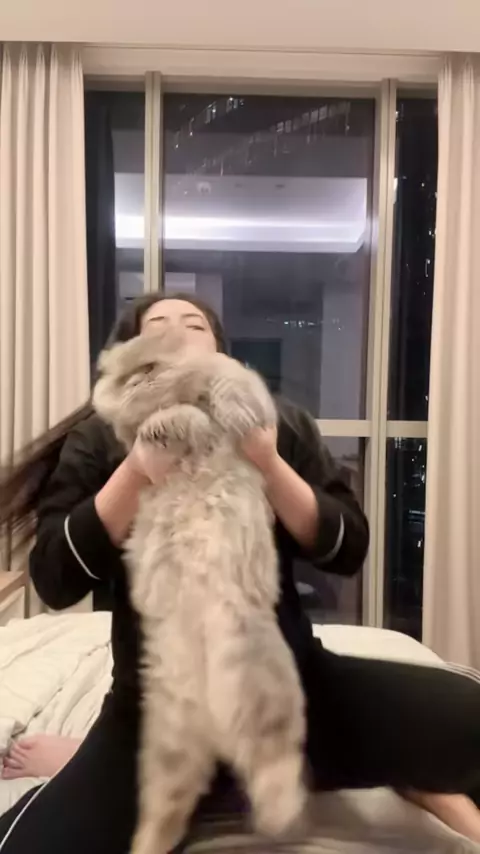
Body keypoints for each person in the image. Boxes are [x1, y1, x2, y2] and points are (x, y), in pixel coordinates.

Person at [0, 293, 479, 854]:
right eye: (157, 326)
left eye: (193, 324)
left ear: (220, 350)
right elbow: (54, 579)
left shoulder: (278, 422)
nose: (176, 334)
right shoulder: (100, 439)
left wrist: (267, 462)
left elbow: (348, 547)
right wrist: (136, 470)